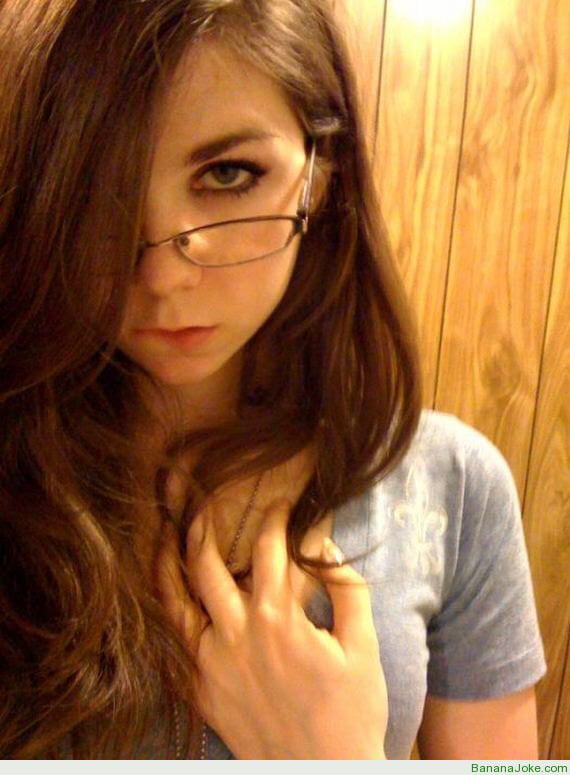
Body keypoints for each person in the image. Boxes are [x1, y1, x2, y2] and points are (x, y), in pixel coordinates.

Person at [0, 0, 546, 760]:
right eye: (96, 190)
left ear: (321, 175)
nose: (163, 275)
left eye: (228, 175)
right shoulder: (19, 477)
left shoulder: (451, 485)